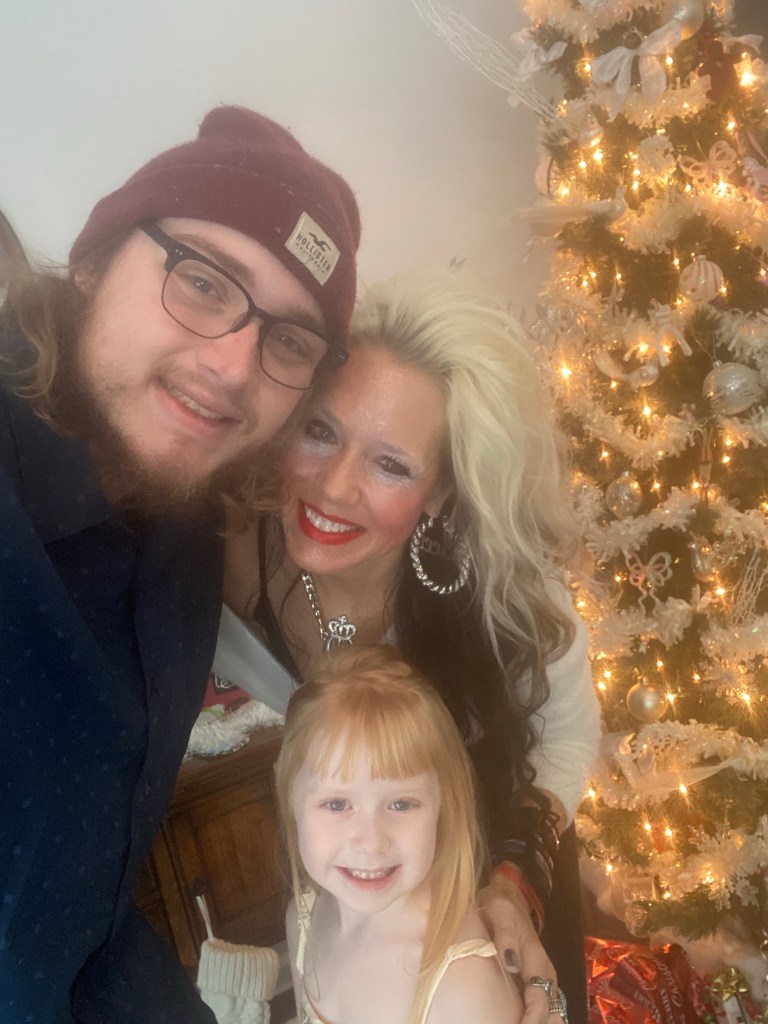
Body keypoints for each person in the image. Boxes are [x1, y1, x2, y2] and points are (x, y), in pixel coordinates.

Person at [0, 105, 360, 1024]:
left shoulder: (190, 537)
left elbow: (82, 918)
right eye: (202, 281)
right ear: (93, 262)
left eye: (288, 341)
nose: (234, 366)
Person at [223, 272, 600, 1024]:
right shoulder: (226, 560)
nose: (334, 487)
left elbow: (567, 737)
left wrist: (515, 881)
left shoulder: (507, 588)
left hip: (496, 901)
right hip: (353, 894)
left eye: (390, 463)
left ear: (441, 493)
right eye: (320, 431)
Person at [275, 643, 525, 1024]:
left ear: (444, 805)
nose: (371, 842)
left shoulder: (465, 989)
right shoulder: (303, 921)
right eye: (337, 804)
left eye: (401, 804)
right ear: (290, 798)